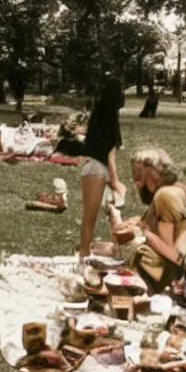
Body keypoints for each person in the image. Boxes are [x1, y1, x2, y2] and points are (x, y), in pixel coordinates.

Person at [120, 148, 186, 294]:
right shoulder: (177, 189)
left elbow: (172, 255)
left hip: (158, 276)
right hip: (162, 272)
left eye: (138, 172)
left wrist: (142, 232)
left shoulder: (165, 196)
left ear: (152, 171)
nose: (135, 179)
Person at [78, 76, 126, 264]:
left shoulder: (101, 111)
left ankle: (113, 252)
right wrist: (115, 182)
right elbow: (110, 153)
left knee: (108, 214)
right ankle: (83, 257)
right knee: (90, 218)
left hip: (97, 166)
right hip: (97, 167)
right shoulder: (108, 114)